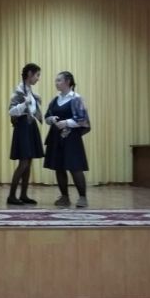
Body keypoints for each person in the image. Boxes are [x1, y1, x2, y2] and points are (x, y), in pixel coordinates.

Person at [44, 71, 91, 208]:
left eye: (59, 80)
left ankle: (82, 197)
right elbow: (47, 117)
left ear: (68, 81)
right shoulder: (55, 99)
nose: (56, 83)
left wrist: (66, 123)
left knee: (75, 167)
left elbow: (83, 120)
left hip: (71, 139)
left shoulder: (76, 98)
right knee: (59, 168)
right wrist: (51, 119)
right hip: (56, 138)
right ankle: (64, 197)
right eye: (56, 80)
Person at [7, 63, 44, 205]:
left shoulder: (29, 90)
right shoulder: (19, 91)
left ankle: (23, 195)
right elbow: (11, 111)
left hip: (29, 126)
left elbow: (32, 110)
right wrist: (25, 103)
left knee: (28, 163)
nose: (38, 78)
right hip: (23, 127)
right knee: (23, 163)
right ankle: (11, 196)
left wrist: (34, 101)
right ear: (29, 74)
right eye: (37, 75)